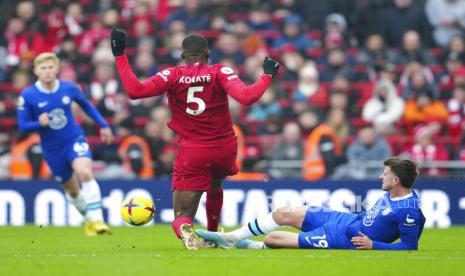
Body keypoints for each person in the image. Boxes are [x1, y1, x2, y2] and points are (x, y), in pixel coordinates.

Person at [110, 29, 280, 249]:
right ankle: (213, 234)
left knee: (182, 214)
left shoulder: (172, 75)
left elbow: (135, 91)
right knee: (215, 185)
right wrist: (267, 75)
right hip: (225, 147)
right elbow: (247, 97)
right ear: (208, 54)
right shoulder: (221, 71)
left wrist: (120, 55)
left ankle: (185, 230)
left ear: (183, 55)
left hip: (194, 150)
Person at [197, 156, 426, 250]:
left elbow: (409, 246)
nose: (380, 176)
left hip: (343, 239)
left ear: (396, 180)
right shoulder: (394, 196)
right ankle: (231, 238)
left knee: (272, 239)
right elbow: (419, 222)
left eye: (385, 174)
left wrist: (373, 245)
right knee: (282, 212)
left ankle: (249, 245)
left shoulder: (407, 210)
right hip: (344, 220)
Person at [17, 52, 113, 236]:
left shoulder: (69, 88)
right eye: (43, 68)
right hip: (52, 149)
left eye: (50, 67)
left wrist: (103, 124)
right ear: (36, 71)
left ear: (57, 69)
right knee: (72, 190)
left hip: (73, 139)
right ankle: (88, 220)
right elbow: (22, 126)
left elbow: (86, 105)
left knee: (85, 171)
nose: (47, 71)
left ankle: (98, 218)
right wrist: (39, 123)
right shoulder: (28, 95)